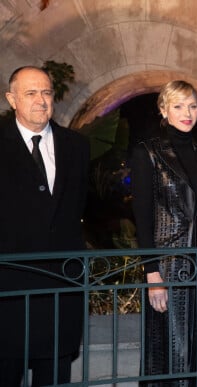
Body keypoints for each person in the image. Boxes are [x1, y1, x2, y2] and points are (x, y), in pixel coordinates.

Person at [0, 66, 89, 386]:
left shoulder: (77, 147)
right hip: (8, 296)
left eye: (47, 93)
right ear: (12, 99)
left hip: (59, 296)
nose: (41, 100)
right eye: (31, 93)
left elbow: (78, 210)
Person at [131, 80, 197, 386]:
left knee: (195, 355)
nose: (188, 113)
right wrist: (152, 273)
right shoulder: (148, 153)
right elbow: (142, 218)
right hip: (167, 268)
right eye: (179, 106)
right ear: (163, 110)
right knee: (166, 356)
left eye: (193, 105)